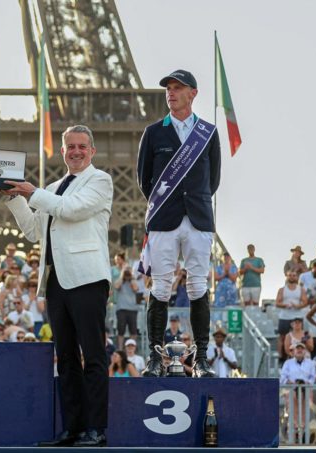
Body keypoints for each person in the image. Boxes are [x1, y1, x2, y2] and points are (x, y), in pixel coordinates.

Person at [4, 125, 112, 447]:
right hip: (56, 281)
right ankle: (73, 428)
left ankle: (96, 429)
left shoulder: (100, 180)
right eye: (70, 146)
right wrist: (15, 197)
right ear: (62, 151)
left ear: (92, 151)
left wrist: (32, 192)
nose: (76, 151)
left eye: (82, 146)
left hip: (87, 277)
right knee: (65, 359)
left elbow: (71, 210)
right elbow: (33, 232)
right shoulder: (52, 188)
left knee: (93, 355)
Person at [136, 69, 221, 378]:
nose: (170, 93)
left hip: (197, 218)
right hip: (164, 218)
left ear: (192, 93)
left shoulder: (208, 133)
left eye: (177, 88)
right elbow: (144, 179)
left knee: (198, 286)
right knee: (160, 287)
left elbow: (213, 179)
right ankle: (155, 358)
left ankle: (201, 358)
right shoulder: (153, 133)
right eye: (168, 88)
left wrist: (192, 200)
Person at [275, 271, 308, 361]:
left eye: (294, 275)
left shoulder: (301, 289)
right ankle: (281, 357)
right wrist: (285, 305)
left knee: (300, 337)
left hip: (297, 316)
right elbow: (277, 303)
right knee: (282, 336)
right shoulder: (282, 290)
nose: (292, 277)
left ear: (297, 277)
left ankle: (300, 356)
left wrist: (298, 306)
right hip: (285, 316)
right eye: (290, 275)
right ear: (287, 276)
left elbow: (305, 302)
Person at [113, 264, 139, 348]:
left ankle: (132, 348)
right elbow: (116, 286)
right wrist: (122, 274)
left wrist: (131, 276)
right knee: (121, 331)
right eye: (126, 270)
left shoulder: (134, 280)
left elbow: (135, 288)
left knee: (133, 331)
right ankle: (120, 349)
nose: (127, 273)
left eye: (128, 270)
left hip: (132, 309)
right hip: (121, 309)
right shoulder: (120, 280)